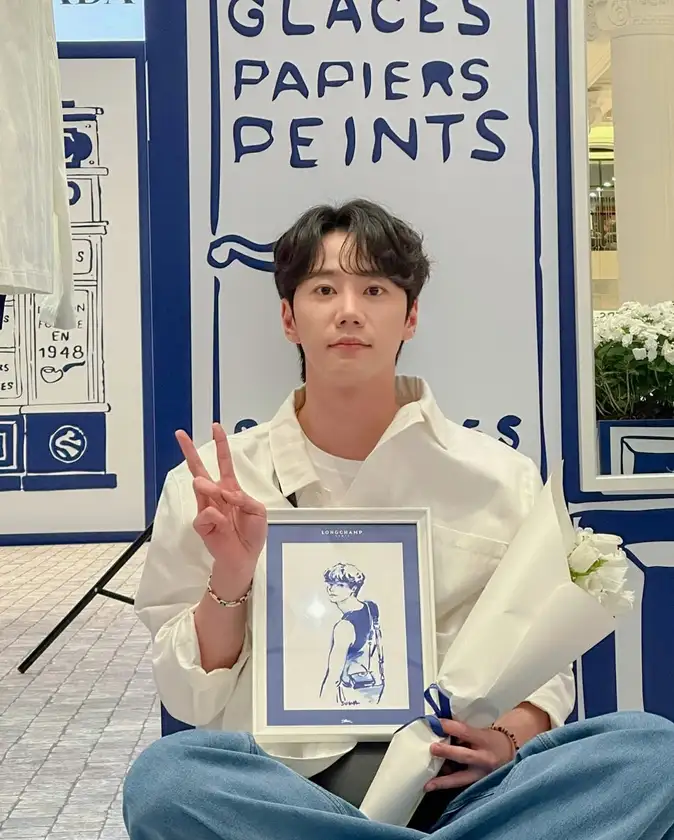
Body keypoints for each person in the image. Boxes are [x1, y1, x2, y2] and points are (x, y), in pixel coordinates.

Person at [122, 199, 674, 838]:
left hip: (462, 787)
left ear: (410, 316)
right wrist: (233, 575)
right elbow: (191, 698)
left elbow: (545, 665)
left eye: (375, 290)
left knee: (651, 751)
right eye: (323, 289)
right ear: (288, 317)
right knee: (166, 781)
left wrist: (507, 738)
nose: (349, 310)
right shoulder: (215, 490)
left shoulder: (501, 478)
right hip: (284, 793)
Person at [320, 563, 384, 707]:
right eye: (330, 583)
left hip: (353, 693)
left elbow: (333, 677)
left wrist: (320, 704)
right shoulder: (371, 607)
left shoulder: (344, 627)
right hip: (374, 687)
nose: (331, 588)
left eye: (340, 585)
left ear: (353, 588)